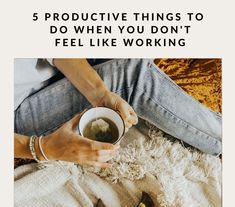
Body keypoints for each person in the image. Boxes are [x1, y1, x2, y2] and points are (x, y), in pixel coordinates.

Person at [14, 58, 222, 168]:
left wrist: (102, 95)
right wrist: (42, 147)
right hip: (16, 116)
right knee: (133, 76)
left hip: (47, 69)